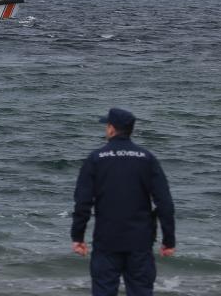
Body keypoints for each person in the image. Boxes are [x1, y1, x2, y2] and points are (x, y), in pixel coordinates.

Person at [71, 108, 176, 296]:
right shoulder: (147, 158)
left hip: (106, 240)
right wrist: (169, 240)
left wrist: (78, 237)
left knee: (103, 289)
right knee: (141, 291)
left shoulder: (95, 159)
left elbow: (83, 203)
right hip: (140, 241)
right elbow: (165, 203)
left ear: (111, 129)